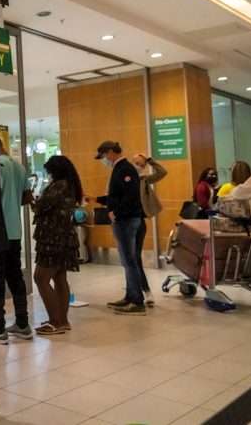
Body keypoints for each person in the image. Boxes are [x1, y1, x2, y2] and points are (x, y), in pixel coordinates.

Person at [94, 141, 146, 316]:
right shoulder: (119, 168)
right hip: (124, 218)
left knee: (129, 261)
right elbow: (115, 195)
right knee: (126, 261)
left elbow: (131, 196)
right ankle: (130, 296)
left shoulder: (125, 169)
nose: (103, 160)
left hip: (126, 219)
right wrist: (99, 200)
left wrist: (116, 212)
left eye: (103, 156)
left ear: (110, 152)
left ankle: (137, 301)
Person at [0, 143, 32, 341]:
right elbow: (26, 197)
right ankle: (23, 323)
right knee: (15, 278)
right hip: (15, 231)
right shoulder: (19, 167)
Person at [32, 155, 82, 335]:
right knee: (60, 278)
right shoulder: (70, 185)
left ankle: (56, 321)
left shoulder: (59, 186)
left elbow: (41, 206)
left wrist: (34, 200)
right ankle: (63, 320)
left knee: (40, 277)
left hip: (52, 238)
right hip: (63, 237)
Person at [131, 154, 167, 307]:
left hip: (139, 222)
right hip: (125, 222)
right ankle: (135, 291)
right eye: (136, 163)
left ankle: (145, 291)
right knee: (131, 260)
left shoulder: (144, 180)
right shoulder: (124, 178)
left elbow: (162, 172)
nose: (138, 166)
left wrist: (150, 160)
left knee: (135, 258)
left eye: (141, 164)